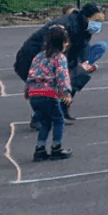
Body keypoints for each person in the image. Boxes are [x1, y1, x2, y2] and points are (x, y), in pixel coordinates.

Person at [14, 2, 107, 125]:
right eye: (96, 20)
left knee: (77, 77)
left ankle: (61, 111)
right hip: (32, 60)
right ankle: (40, 118)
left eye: (101, 21)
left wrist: (81, 63)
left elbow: (79, 48)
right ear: (85, 16)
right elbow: (47, 50)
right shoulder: (66, 25)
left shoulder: (83, 27)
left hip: (56, 57)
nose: (98, 24)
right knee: (49, 87)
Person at [23, 25, 73, 162]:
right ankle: (56, 148)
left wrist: (28, 91)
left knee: (45, 122)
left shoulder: (39, 56)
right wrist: (66, 92)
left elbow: (31, 74)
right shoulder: (59, 57)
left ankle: (40, 149)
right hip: (48, 93)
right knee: (58, 120)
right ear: (63, 43)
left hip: (34, 93)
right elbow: (62, 75)